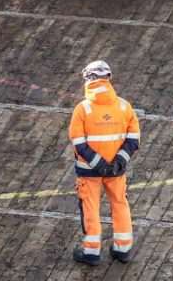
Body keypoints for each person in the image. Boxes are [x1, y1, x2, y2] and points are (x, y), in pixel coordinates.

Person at [69, 60, 140, 265]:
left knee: (90, 208)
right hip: (117, 170)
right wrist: (118, 161)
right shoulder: (124, 106)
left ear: (88, 79)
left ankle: (91, 252)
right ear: (109, 78)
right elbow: (134, 138)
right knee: (120, 204)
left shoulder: (82, 109)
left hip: (89, 171)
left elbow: (78, 142)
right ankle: (122, 249)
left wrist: (98, 163)